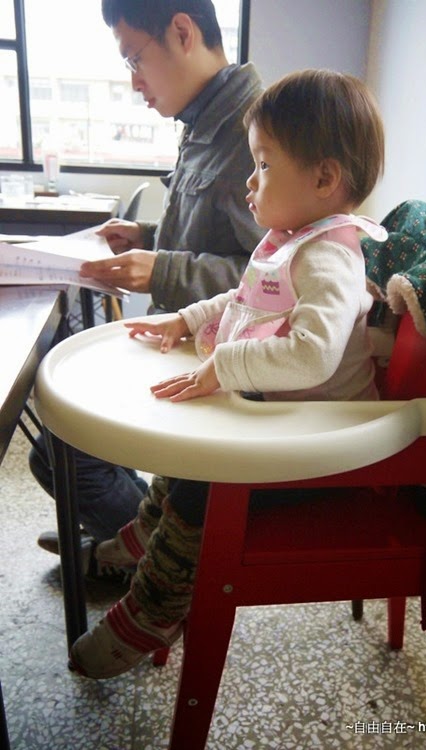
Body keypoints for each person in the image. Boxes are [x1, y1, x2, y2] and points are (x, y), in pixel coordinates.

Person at [69, 67, 387, 678]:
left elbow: (313, 354)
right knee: (188, 450)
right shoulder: (290, 241)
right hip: (283, 421)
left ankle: (156, 606)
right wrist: (187, 320)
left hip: (323, 446)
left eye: (263, 164)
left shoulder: (330, 258)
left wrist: (225, 363)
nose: (250, 179)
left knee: (203, 479)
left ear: (324, 179)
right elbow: (245, 299)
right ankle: (146, 535)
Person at [30, 0, 264, 562]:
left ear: (182, 32)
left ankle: (150, 560)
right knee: (61, 443)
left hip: (214, 365)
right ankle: (138, 544)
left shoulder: (253, 129)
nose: (135, 82)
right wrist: (148, 236)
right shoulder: (207, 120)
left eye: (135, 58)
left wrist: (161, 268)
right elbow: (216, 235)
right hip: (179, 343)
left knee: (61, 453)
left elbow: (276, 278)